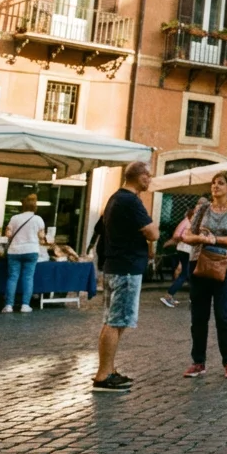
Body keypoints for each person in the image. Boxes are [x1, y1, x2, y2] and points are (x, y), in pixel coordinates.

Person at [92, 162, 159, 392]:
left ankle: (108, 370)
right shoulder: (131, 201)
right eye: (148, 176)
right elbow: (153, 232)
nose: (150, 180)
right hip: (127, 268)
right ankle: (103, 374)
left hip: (115, 265)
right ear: (140, 177)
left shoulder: (115, 198)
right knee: (116, 321)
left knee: (112, 320)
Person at [181, 170, 227, 379]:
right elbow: (187, 234)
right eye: (213, 183)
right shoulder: (202, 209)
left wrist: (216, 240)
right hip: (200, 264)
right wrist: (200, 239)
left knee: (224, 315)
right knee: (199, 316)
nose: (215, 186)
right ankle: (198, 362)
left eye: (220, 183)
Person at [2, 194, 47, 313]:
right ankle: (25, 305)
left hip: (15, 250)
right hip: (31, 250)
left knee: (12, 277)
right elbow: (41, 237)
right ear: (34, 208)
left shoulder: (14, 218)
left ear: (23, 207)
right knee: (28, 278)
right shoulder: (38, 219)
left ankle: (9, 306)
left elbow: (8, 234)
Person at [161, 206, 198, 308]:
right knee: (185, 274)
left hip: (183, 250)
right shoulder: (189, 224)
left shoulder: (186, 222)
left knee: (189, 274)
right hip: (187, 251)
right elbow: (177, 235)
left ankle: (192, 298)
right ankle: (168, 296)